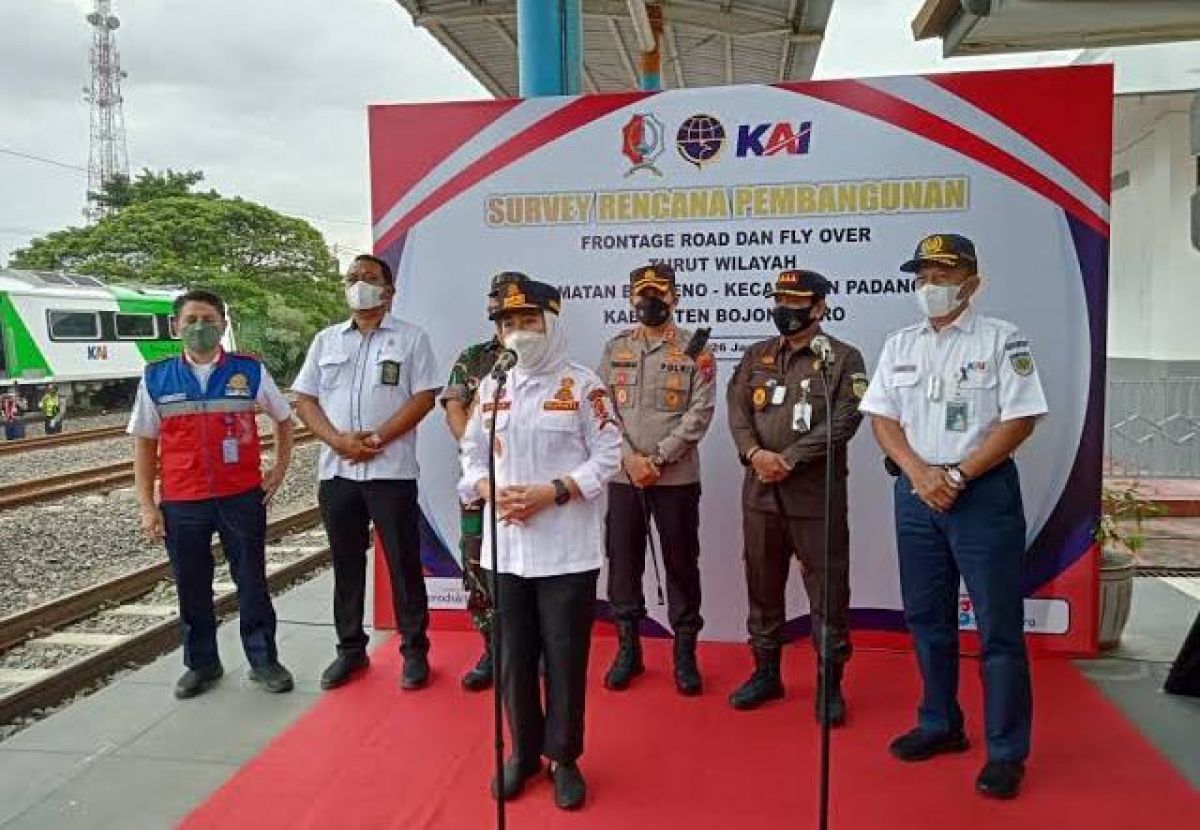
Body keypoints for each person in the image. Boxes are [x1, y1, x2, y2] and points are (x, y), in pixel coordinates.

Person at [859, 233, 1048, 800]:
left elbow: (1020, 420)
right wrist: (920, 473)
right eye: (924, 275)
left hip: (982, 496)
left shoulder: (1001, 339)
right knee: (926, 618)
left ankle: (1007, 751)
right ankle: (940, 723)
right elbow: (883, 419)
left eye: (943, 274)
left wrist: (960, 476)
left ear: (972, 281)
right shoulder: (900, 344)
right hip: (918, 495)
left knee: (998, 630)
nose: (931, 285)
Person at [458, 278, 622, 810]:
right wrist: (485, 487)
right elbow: (470, 452)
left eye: (529, 322)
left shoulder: (584, 386)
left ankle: (565, 756)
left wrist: (552, 492)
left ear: (553, 323)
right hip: (505, 549)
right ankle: (524, 753)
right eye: (508, 324)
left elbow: (608, 456)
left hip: (565, 551)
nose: (518, 333)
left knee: (565, 657)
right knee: (512, 658)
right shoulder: (492, 386)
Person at [128, 288, 295, 699]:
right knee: (192, 584)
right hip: (183, 501)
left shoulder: (250, 371)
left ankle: (263, 660)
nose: (200, 327)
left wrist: (279, 468)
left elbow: (284, 419)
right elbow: (144, 444)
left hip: (240, 497)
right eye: (191, 320)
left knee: (252, 581)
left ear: (223, 324)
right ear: (175, 327)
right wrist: (148, 505)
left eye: (208, 319)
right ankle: (202, 664)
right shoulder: (156, 376)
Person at [293, 254, 442, 691]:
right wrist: (337, 441)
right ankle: (350, 651)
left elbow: (423, 398)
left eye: (370, 278)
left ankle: (414, 652)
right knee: (345, 563)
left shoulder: (412, 340)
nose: (360, 284)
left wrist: (375, 439)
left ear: (389, 291)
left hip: (390, 471)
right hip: (337, 473)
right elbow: (304, 399)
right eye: (353, 278)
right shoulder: (325, 341)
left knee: (403, 564)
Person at [725, 269, 868, 721]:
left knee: (827, 591)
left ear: (819, 307)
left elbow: (846, 419)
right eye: (779, 300)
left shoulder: (843, 358)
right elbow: (738, 410)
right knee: (762, 586)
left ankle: (829, 684)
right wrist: (753, 453)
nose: (785, 309)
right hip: (760, 494)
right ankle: (766, 672)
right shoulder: (756, 355)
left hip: (814, 496)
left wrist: (788, 458)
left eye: (795, 301)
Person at [597, 262, 716, 695]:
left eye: (659, 293)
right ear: (630, 299)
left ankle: (684, 653)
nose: (650, 300)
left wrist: (658, 458)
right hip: (625, 477)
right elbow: (603, 411)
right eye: (642, 293)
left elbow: (699, 414)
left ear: (674, 297)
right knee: (623, 564)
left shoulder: (695, 349)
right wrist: (630, 459)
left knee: (682, 564)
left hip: (676, 478)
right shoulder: (615, 349)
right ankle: (628, 649)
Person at [440, 271, 528, 691]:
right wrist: (476, 449)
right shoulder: (473, 357)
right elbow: (454, 406)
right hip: (479, 483)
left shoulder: (542, 356)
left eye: (514, 304)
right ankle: (493, 648)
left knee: (529, 566)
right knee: (475, 562)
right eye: (499, 302)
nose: (506, 310)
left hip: (526, 484)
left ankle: (531, 650)